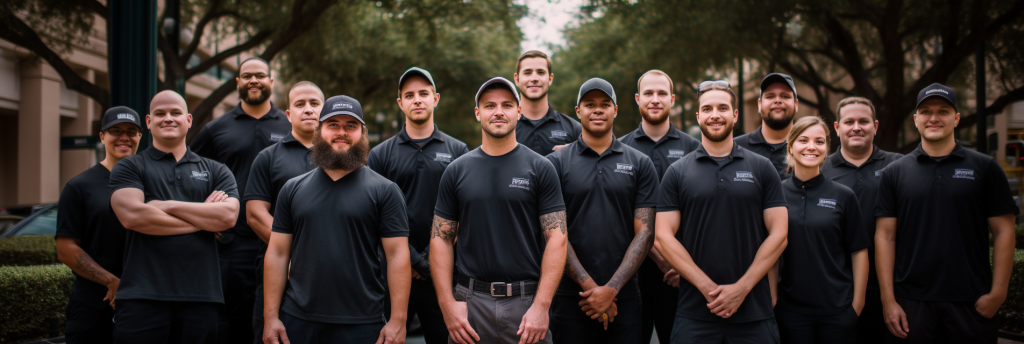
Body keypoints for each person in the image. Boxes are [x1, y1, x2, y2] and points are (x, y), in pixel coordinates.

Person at [262, 95, 411, 344]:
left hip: (363, 323)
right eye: (333, 125)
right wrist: (270, 318)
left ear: (362, 133)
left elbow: (397, 256)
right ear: (320, 131)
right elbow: (277, 253)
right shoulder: (292, 189)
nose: (341, 132)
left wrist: (398, 321)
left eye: (350, 126)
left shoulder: (385, 191)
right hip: (298, 321)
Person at [875, 83, 1018, 344]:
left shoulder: (985, 167)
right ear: (916, 119)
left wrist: (998, 293)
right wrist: (888, 301)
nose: (934, 118)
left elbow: (1004, 230)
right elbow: (885, 237)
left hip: (972, 302)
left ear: (956, 118)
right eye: (926, 112)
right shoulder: (894, 173)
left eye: (943, 111)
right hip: (911, 305)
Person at [430, 77, 568, 344]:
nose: (498, 112)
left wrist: (541, 306)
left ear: (519, 112)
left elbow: (557, 237)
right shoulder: (456, 171)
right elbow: (441, 238)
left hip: (526, 305)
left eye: (507, 105)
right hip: (470, 305)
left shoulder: (541, 168)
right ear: (478, 113)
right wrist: (448, 304)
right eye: (490, 105)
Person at [653, 81, 788, 344]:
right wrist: (708, 288)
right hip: (695, 314)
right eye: (708, 109)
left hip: (754, 314)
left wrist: (742, 288)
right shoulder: (677, 172)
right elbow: (662, 237)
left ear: (735, 115)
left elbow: (779, 234)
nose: (715, 114)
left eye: (723, 108)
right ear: (698, 116)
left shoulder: (762, 168)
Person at [109, 90, 240, 344]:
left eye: (175, 113)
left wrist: (163, 205)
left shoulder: (216, 170)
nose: (168, 118)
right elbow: (133, 216)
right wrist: (202, 221)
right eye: (160, 113)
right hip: (142, 298)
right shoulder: (129, 167)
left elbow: (228, 216)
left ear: (189, 120)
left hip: (202, 299)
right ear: (148, 122)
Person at [546, 78, 658, 343]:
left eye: (604, 104)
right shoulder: (554, 164)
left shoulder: (640, 163)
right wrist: (591, 289)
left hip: (625, 297)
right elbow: (552, 233)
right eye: (589, 104)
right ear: (578, 111)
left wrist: (611, 289)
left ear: (615, 110)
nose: (597, 110)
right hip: (569, 297)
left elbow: (645, 233)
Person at [191, 57, 292, 344]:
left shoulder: (290, 126)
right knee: (234, 317)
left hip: (283, 237)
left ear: (271, 82)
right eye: (246, 76)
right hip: (232, 242)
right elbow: (191, 172)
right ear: (237, 83)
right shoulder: (217, 128)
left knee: (279, 315)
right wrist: (204, 213)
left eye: (260, 75)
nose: (253, 80)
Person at [368, 67, 470, 344]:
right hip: (393, 271)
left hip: (445, 273)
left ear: (435, 99)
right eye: (409, 95)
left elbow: (465, 211)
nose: (417, 100)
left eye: (423, 93)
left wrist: (430, 260)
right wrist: (412, 258)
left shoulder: (459, 151)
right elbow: (373, 213)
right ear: (400, 103)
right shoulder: (379, 155)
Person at [618, 70, 700, 344]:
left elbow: (699, 213)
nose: (655, 99)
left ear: (672, 99)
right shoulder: (620, 148)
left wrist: (681, 265)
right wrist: (661, 258)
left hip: (680, 276)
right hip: (631, 275)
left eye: (662, 93)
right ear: (638, 99)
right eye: (649, 93)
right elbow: (619, 212)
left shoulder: (694, 148)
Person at [775, 116, 870, 344]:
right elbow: (771, 252)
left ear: (826, 148)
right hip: (791, 312)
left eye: (819, 141)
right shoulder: (776, 194)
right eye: (803, 140)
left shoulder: (843, 195)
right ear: (790, 146)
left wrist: (857, 305)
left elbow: (859, 251)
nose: (811, 147)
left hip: (838, 312)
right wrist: (773, 300)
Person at [244, 81, 324, 343]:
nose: (308, 109)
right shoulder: (268, 157)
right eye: (300, 104)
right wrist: (292, 254)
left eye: (314, 103)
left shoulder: (341, 158)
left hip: (331, 276)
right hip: (277, 272)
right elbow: (255, 214)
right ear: (288, 114)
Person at [820, 96, 903, 344]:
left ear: (875, 127)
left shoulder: (898, 166)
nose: (856, 127)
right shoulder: (820, 170)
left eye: (863, 121)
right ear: (837, 128)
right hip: (836, 289)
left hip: (891, 289)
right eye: (849, 122)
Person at [55, 106, 142, 344]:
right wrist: (112, 282)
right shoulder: (79, 186)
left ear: (140, 138)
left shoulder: (151, 183)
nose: (124, 137)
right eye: (115, 131)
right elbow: (65, 248)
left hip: (144, 306)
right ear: (102, 136)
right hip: (92, 306)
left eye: (131, 131)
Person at [513, 50, 581, 155]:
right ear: (517, 79)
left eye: (540, 72)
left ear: (550, 79)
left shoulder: (574, 128)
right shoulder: (504, 126)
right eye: (527, 73)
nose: (534, 78)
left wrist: (576, 154)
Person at [734, 73, 799, 179]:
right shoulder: (736, 148)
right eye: (770, 96)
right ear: (759, 105)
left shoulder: (809, 149)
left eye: (785, 96)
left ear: (796, 105)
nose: (777, 101)